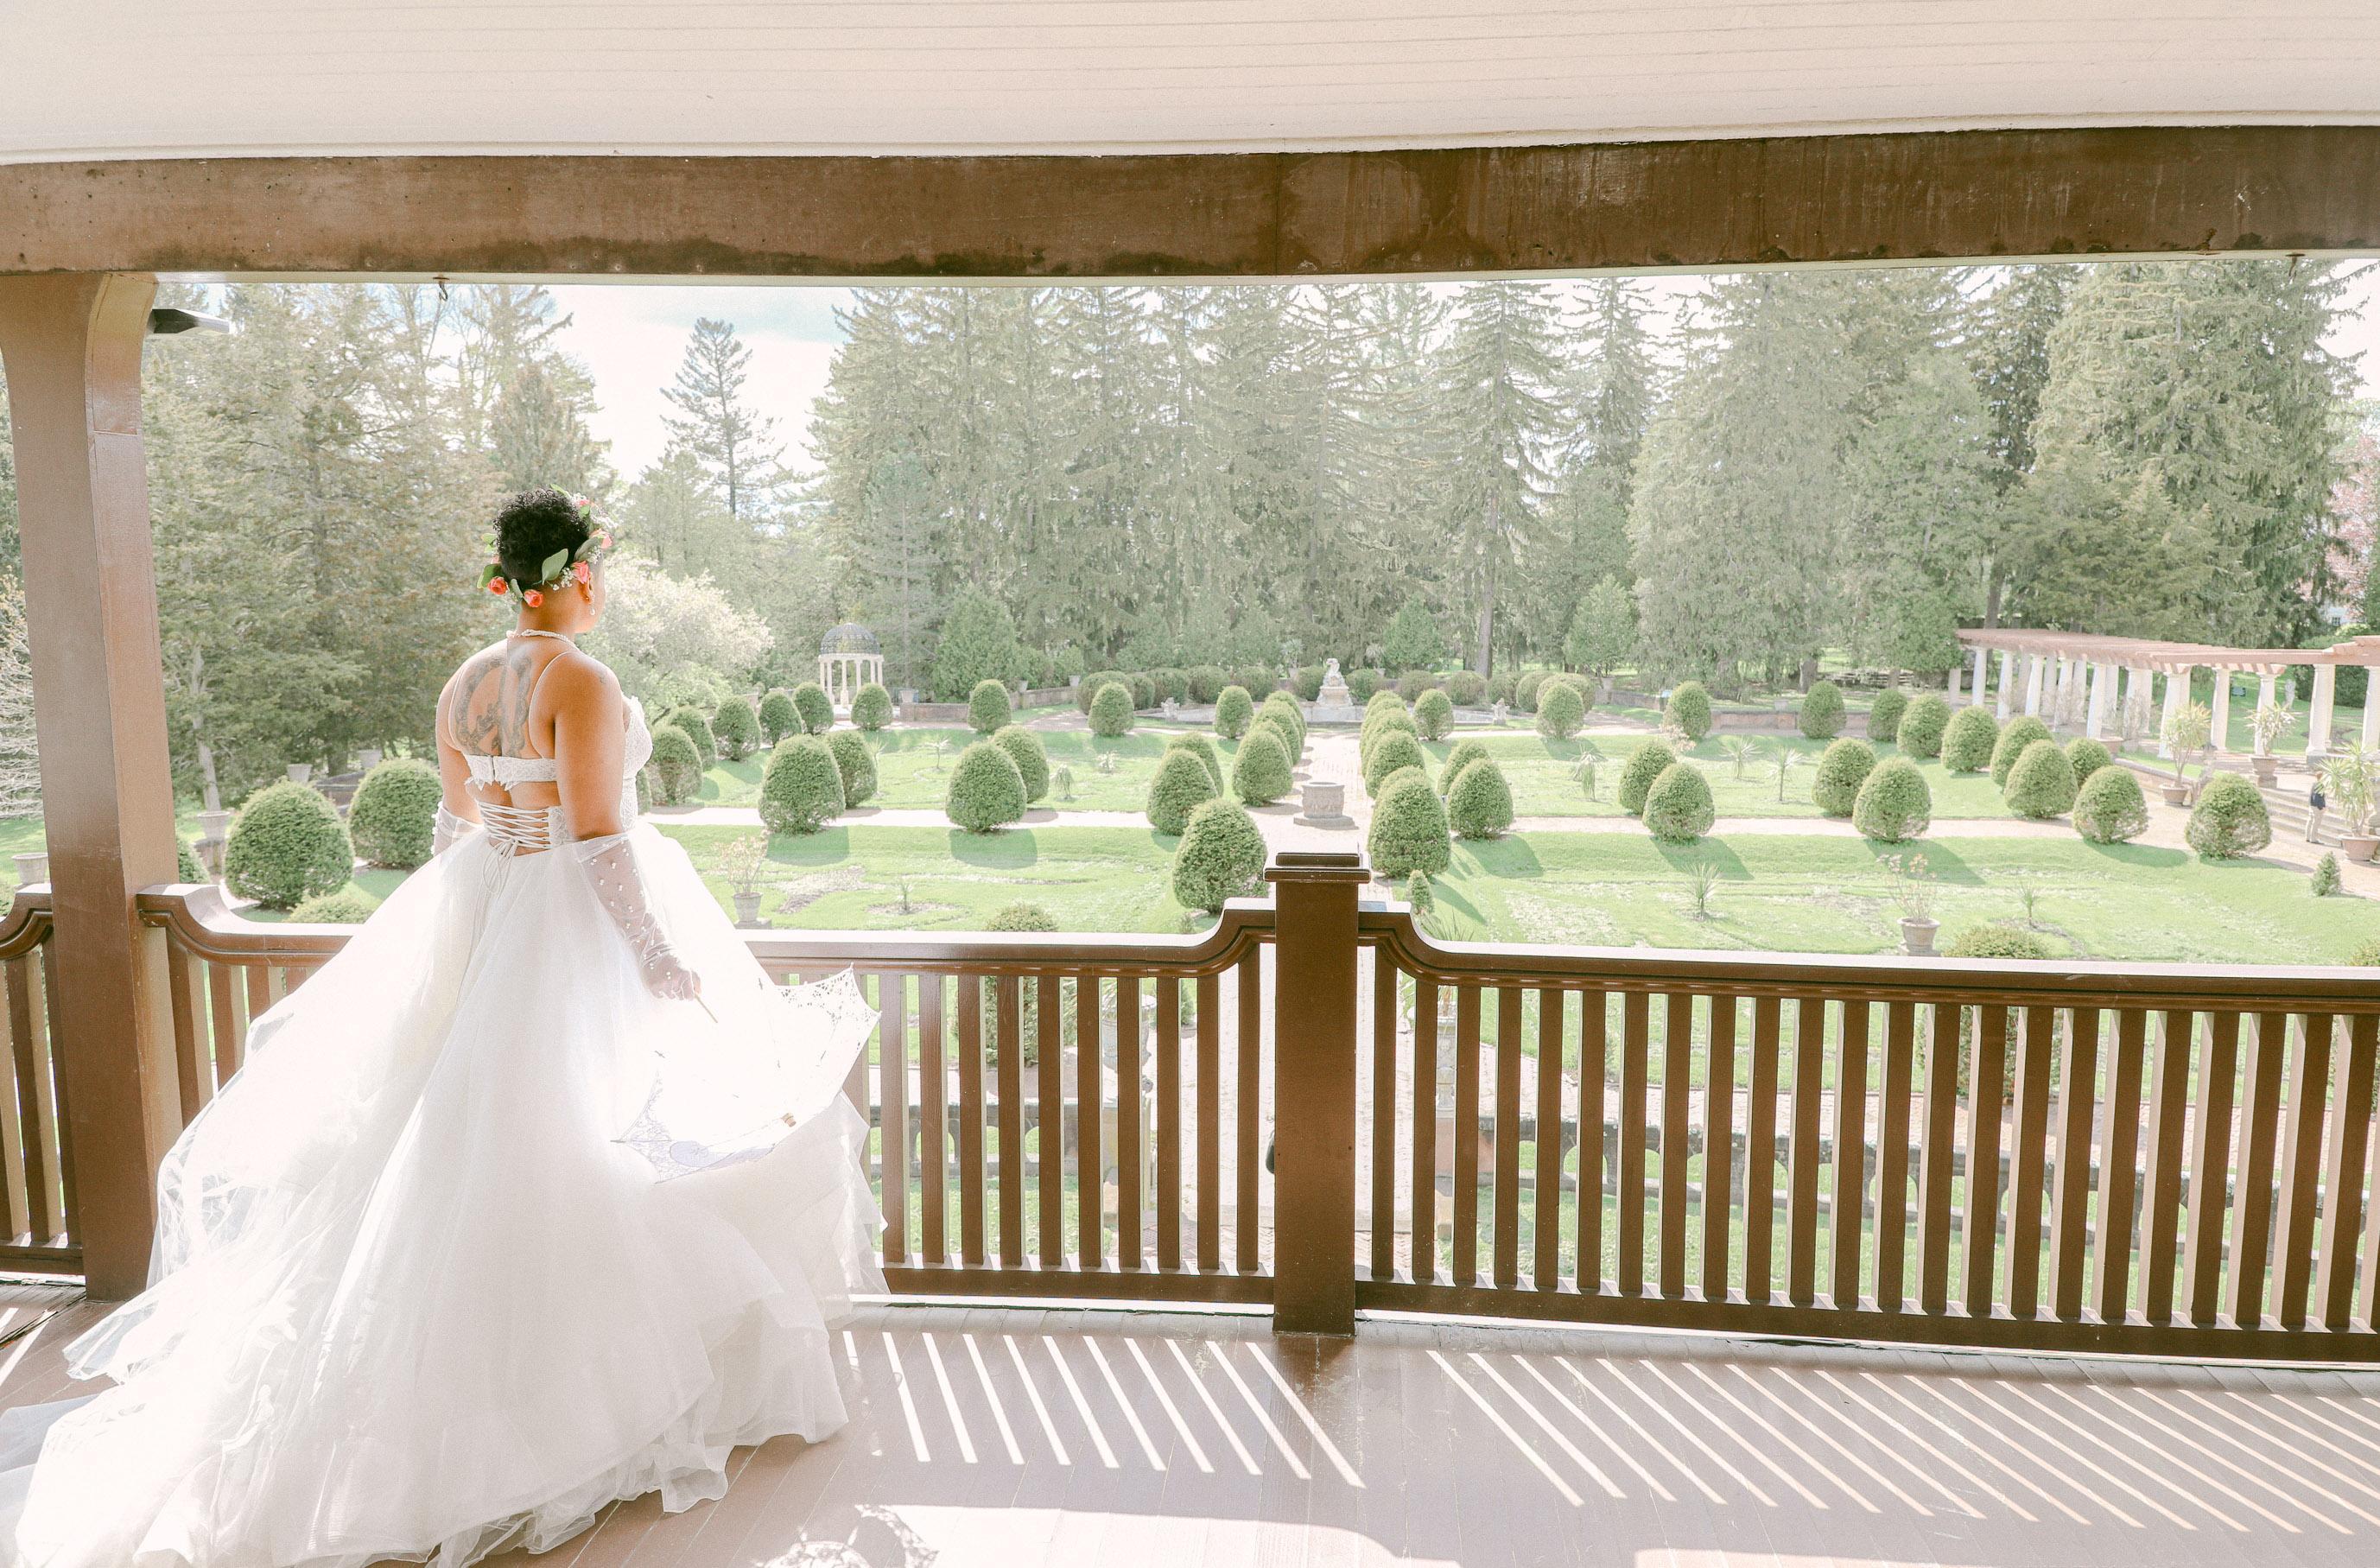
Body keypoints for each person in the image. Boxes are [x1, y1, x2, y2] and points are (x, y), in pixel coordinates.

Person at [0, 489, 882, 1568]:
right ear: (574, 578)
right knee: (592, 1142)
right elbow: (598, 836)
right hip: (568, 922)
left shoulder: (464, 684)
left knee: (477, 1150)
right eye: (599, 570)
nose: (603, 587)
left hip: (489, 904)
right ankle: (565, 1407)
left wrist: (465, 927)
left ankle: (490, 1383)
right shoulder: (583, 681)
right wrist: (655, 952)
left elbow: (456, 822)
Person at [2308, 776, 2327, 842]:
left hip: (2312, 805)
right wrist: (2321, 807)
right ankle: (2313, 838)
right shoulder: (2320, 785)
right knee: (2316, 823)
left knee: (2310, 821)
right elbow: (2317, 797)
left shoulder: (2314, 784)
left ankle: (2308, 837)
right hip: (2316, 807)